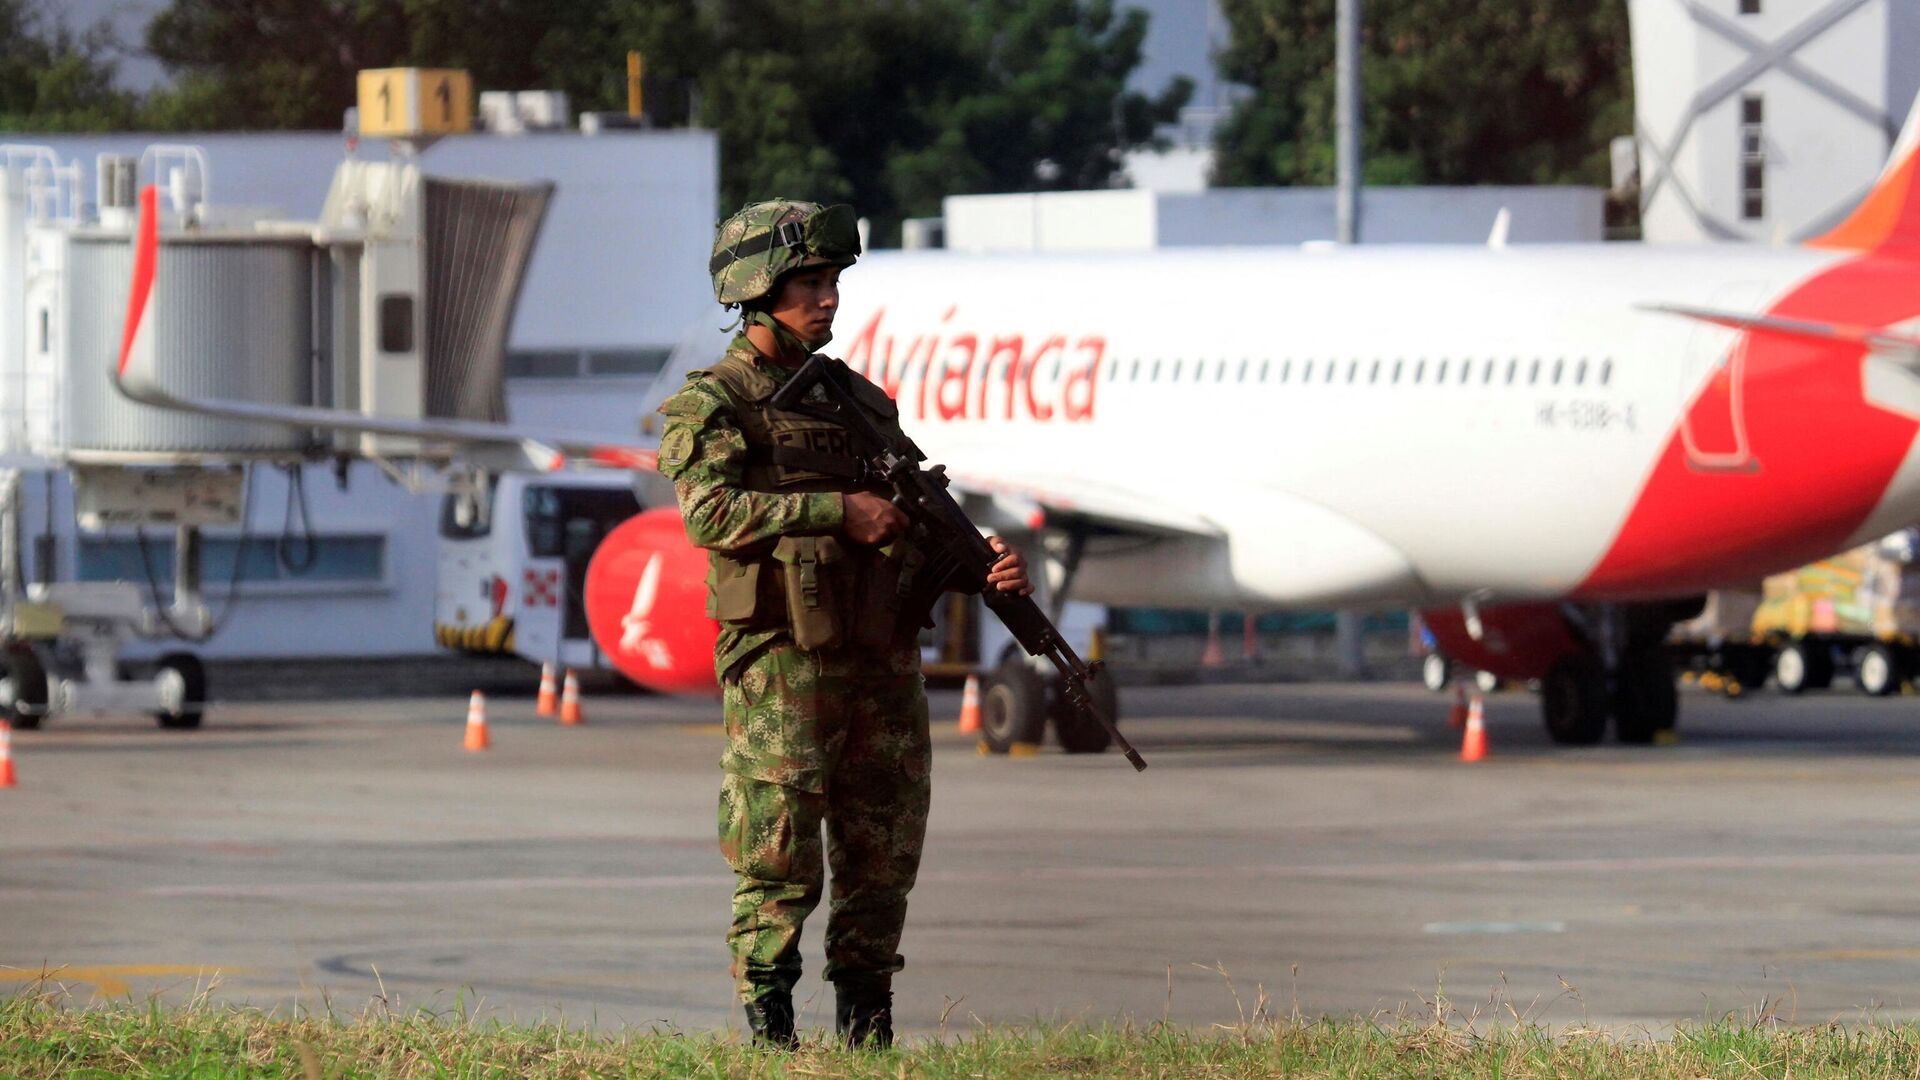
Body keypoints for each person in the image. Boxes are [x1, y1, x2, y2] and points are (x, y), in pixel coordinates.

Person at [656, 199, 1032, 1049]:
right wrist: (836, 510)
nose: (826, 300)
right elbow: (709, 512)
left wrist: (983, 568)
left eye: (831, 283)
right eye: (807, 285)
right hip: (782, 662)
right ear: (757, 291)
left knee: (883, 854)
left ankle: (869, 1036)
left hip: (882, 656)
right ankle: (772, 1037)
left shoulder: (859, 403)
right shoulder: (714, 404)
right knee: (778, 856)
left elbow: (914, 516)